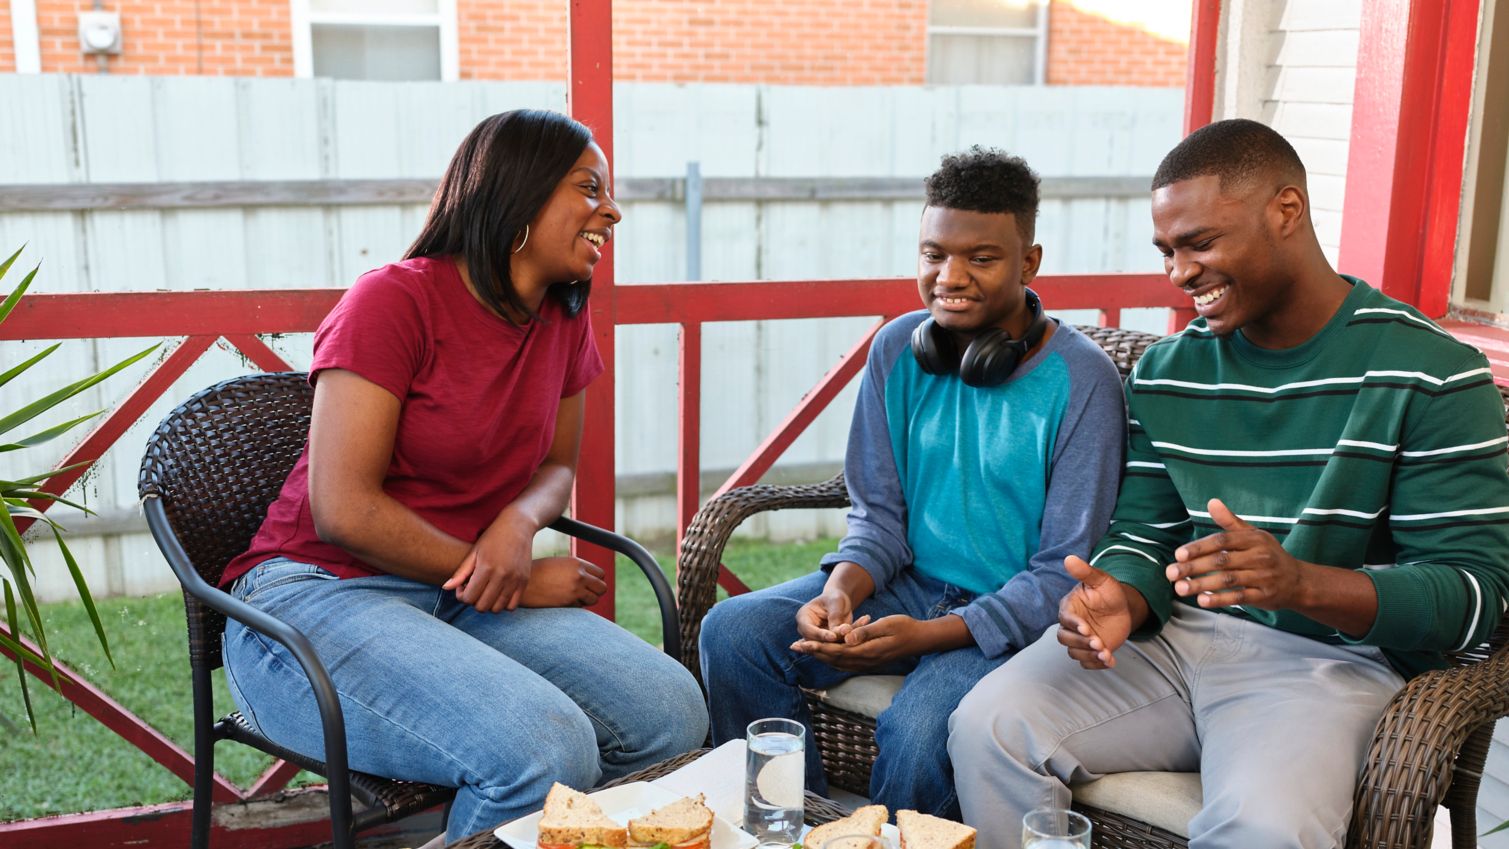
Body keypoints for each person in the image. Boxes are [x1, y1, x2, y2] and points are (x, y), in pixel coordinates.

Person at [949, 118, 1509, 849]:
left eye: (1200, 243)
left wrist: (1300, 583)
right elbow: (1143, 532)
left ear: (1285, 211)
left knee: (1264, 827)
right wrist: (1118, 596)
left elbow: (1474, 596)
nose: (1179, 274)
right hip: (1173, 642)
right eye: (1167, 251)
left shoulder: (1429, 372)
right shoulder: (1168, 372)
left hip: (1328, 663)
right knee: (986, 724)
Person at [218, 110, 708, 842]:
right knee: (543, 751)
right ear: (518, 197)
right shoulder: (394, 300)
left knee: (671, 711)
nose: (611, 210)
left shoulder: (563, 316)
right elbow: (342, 508)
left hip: (454, 595)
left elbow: (557, 464)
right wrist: (517, 577)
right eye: (589, 188)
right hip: (312, 601)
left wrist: (515, 525)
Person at [698, 147, 1127, 819]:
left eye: (980, 258)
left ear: (1029, 261)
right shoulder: (898, 348)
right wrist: (841, 589)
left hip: (1009, 621)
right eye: (932, 254)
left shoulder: (1084, 381)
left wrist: (927, 636)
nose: (947, 277)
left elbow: (1059, 573)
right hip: (904, 585)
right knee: (733, 631)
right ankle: (793, 827)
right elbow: (877, 513)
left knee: (920, 729)